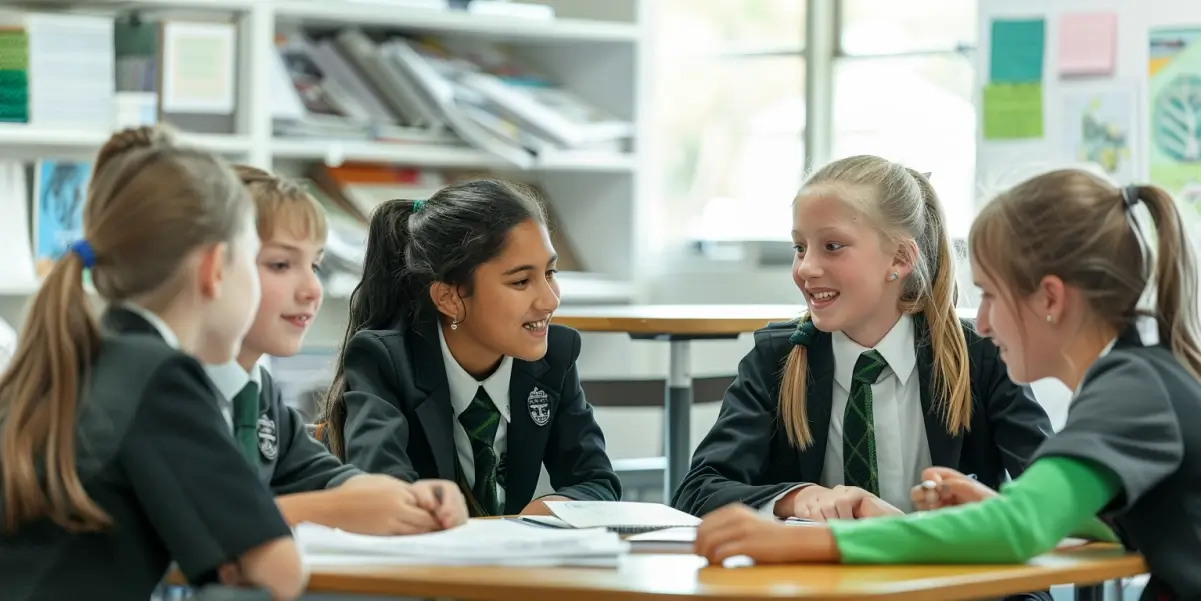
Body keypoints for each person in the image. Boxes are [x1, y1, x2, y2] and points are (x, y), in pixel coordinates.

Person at [694, 170, 1201, 601]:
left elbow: (1021, 528)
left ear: (1050, 298)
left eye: (988, 295)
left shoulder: (1131, 389)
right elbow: (1095, 523)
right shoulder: (1141, 376)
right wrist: (996, 508)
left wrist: (802, 543)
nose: (979, 322)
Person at [0, 127, 305, 600]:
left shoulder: (82, 354)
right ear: (214, 269)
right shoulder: (160, 376)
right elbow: (279, 571)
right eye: (255, 261)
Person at [673, 156, 1053, 522]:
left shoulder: (979, 356)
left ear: (900, 259)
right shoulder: (777, 358)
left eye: (832, 247)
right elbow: (698, 492)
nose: (806, 268)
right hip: (825, 584)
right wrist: (798, 497)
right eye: (799, 247)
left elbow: (1050, 486)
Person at [104, 165, 467, 534]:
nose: (312, 289)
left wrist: (412, 498)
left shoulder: (257, 394)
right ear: (210, 268)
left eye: (315, 265)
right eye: (281, 264)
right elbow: (195, 526)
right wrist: (330, 508)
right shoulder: (162, 391)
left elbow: (327, 478)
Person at [319, 179, 620, 517]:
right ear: (450, 298)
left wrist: (554, 508)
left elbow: (598, 483)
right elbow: (382, 487)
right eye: (521, 281)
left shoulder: (555, 357)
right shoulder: (385, 361)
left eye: (550, 272)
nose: (550, 299)